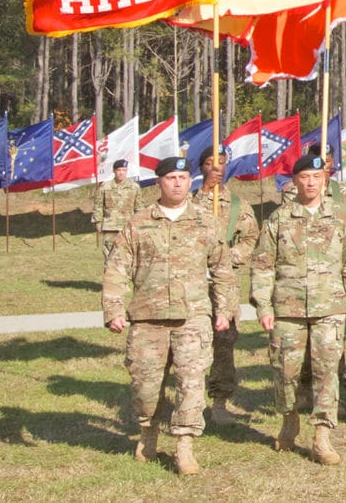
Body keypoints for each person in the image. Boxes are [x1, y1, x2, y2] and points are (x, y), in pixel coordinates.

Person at [102, 156, 235, 476]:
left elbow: (221, 268)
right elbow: (117, 268)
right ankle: (148, 432)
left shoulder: (205, 221)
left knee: (191, 384)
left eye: (183, 177)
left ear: (190, 182)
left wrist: (224, 310)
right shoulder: (138, 222)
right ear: (158, 183)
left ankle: (184, 445)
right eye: (171, 178)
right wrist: (114, 310)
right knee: (145, 387)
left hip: (193, 317)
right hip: (148, 318)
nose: (178, 183)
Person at [250, 154, 346, 465]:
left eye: (316, 176)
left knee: (327, 371)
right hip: (287, 306)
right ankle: (289, 417)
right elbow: (262, 265)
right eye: (304, 177)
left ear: (325, 179)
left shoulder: (340, 216)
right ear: (295, 181)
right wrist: (263, 305)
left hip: (330, 304)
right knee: (285, 371)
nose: (311, 182)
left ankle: (322, 437)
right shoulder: (279, 219)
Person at [194, 146, 258, 426]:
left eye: (221, 163)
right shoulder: (187, 200)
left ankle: (219, 402)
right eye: (210, 163)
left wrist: (233, 256)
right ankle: (191, 402)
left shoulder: (236, 205)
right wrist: (202, 193)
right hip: (192, 282)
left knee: (224, 342)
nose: (216, 169)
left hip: (226, 285)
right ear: (201, 168)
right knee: (190, 344)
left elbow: (251, 237)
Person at [94, 158, 142, 261]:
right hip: (110, 227)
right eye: (119, 170)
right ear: (114, 171)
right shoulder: (105, 187)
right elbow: (98, 206)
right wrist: (98, 222)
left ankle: (125, 277)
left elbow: (139, 207)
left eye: (124, 170)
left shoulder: (134, 187)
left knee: (128, 255)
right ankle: (110, 276)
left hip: (128, 226)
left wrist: (140, 224)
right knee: (110, 255)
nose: (121, 173)